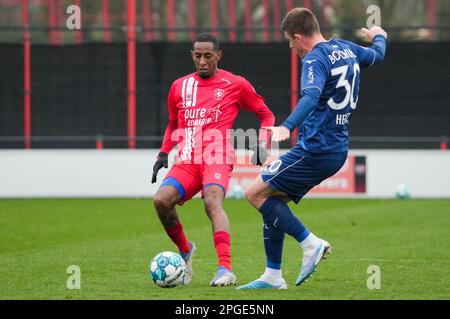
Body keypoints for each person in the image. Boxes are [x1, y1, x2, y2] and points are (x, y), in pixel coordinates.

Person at [237, 8, 387, 289]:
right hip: (335, 148)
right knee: (273, 199)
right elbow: (377, 55)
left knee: (254, 193)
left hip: (315, 149)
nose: (291, 48)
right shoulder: (346, 48)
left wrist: (287, 126)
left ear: (298, 37)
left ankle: (310, 244)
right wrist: (380, 36)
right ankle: (272, 276)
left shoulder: (314, 59)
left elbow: (310, 95)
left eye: (290, 42)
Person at [151, 33, 275, 287]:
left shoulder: (235, 84)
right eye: (198, 56)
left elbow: (266, 115)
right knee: (161, 201)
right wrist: (163, 152)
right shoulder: (179, 86)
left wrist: (263, 142)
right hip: (187, 158)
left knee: (212, 202)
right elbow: (174, 123)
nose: (203, 61)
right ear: (192, 56)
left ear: (218, 55)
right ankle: (185, 251)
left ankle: (225, 269)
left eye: (208, 56)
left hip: (217, 156)